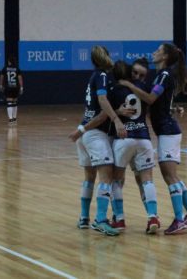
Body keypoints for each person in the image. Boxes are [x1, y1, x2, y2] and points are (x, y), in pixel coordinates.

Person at [120, 43, 187, 235]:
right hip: (166, 130)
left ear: (164, 56)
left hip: (168, 131)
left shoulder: (164, 75)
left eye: (158, 50)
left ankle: (180, 220)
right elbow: (161, 103)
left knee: (169, 176)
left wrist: (129, 85)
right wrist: (173, 108)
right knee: (172, 176)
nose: (154, 52)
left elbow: (150, 99)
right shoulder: (160, 75)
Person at [68, 46, 126, 236]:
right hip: (95, 133)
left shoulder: (94, 76)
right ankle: (100, 219)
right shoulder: (102, 76)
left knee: (89, 178)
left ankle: (84, 218)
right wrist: (117, 119)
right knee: (106, 178)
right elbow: (102, 101)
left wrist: (81, 130)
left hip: (85, 131)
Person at [109, 60, 160, 234]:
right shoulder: (145, 87)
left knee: (116, 180)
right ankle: (153, 216)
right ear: (131, 72)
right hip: (143, 138)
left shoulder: (115, 89)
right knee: (147, 180)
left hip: (123, 138)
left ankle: (120, 219)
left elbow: (106, 112)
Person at [0, 56, 23, 123]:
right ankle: (14, 118)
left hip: (8, 87)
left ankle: (10, 119)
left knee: (9, 103)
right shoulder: (17, 69)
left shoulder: (5, 69)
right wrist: (21, 87)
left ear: (9, 61)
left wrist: (1, 86)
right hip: (15, 87)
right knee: (15, 102)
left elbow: (1, 78)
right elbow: (20, 79)